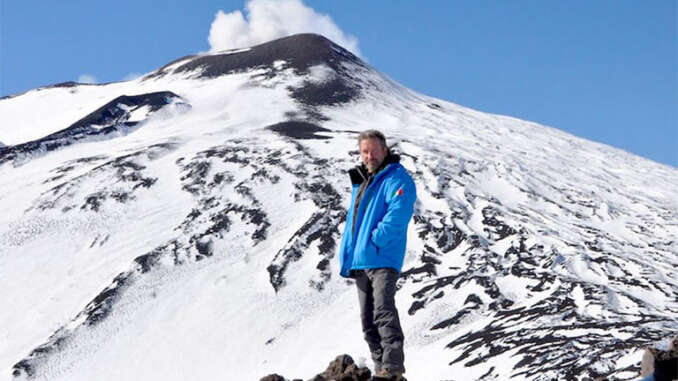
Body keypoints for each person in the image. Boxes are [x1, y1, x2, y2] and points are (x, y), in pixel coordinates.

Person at [338, 130, 417, 380]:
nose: (369, 155)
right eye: (364, 151)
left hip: (382, 257)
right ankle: (379, 368)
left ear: (385, 150)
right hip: (362, 259)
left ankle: (392, 369)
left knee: (383, 311)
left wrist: (376, 239)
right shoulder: (363, 182)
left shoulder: (397, 179)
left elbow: (398, 213)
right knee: (368, 321)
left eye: (373, 150)